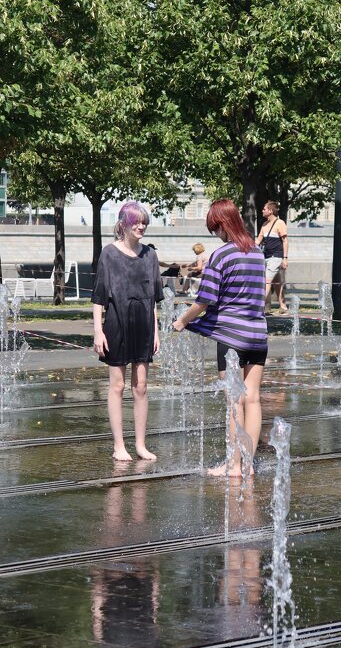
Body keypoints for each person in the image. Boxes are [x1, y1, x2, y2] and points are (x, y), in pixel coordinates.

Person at [172, 198, 267, 477]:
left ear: (223, 224)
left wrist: (181, 321)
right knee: (254, 400)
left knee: (235, 402)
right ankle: (248, 465)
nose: (215, 233)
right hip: (258, 334)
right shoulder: (257, 251)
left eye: (215, 228)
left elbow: (204, 300)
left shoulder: (221, 255)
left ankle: (233, 465)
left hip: (231, 337)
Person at [91, 201, 164, 461]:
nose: (141, 226)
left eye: (144, 222)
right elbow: (99, 296)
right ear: (124, 223)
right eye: (136, 221)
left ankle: (141, 445)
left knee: (141, 386)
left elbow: (154, 299)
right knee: (117, 385)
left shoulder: (150, 256)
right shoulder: (109, 253)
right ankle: (119, 445)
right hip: (117, 322)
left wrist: (155, 331)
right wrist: (98, 331)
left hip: (144, 323)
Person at [255, 201, 288, 314]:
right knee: (276, 282)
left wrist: (285, 258)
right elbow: (257, 241)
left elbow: (285, 241)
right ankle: (283, 306)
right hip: (266, 257)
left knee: (267, 280)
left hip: (276, 257)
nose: (262, 210)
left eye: (264, 209)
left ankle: (258, 307)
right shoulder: (264, 225)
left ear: (270, 211)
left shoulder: (280, 223)